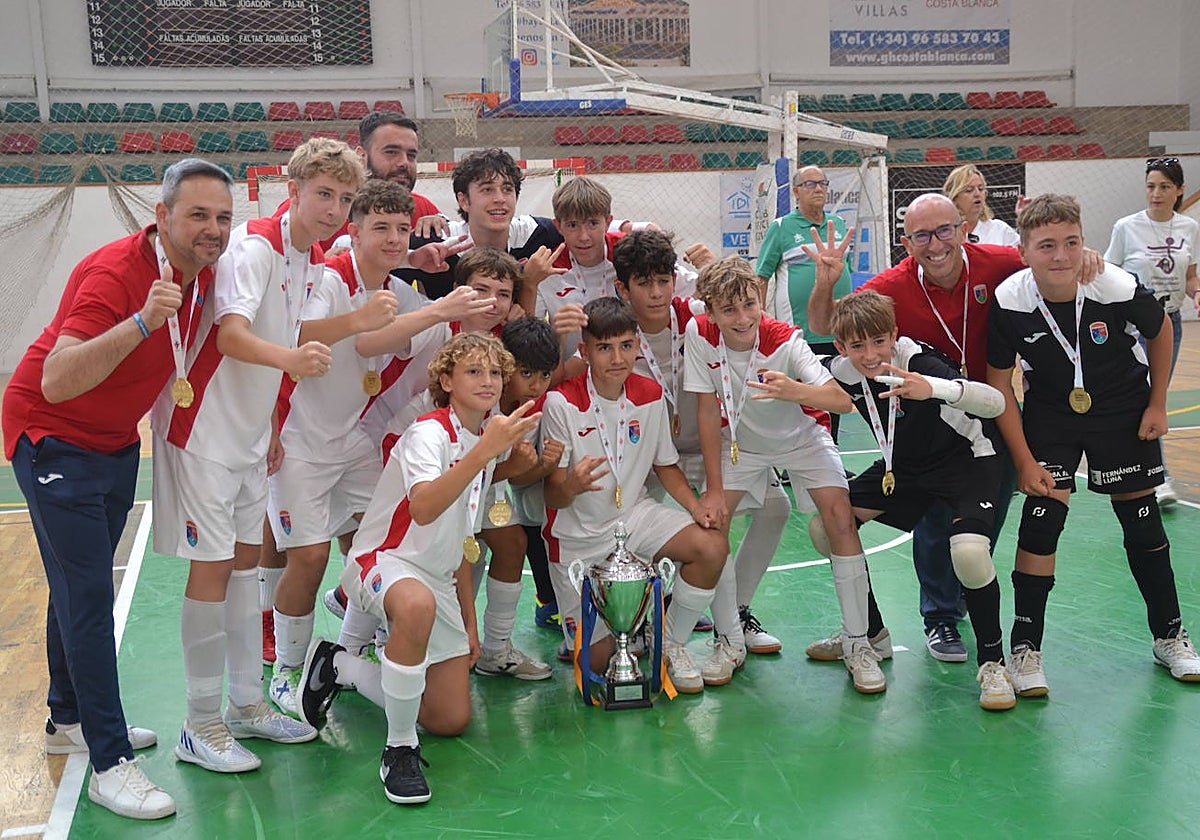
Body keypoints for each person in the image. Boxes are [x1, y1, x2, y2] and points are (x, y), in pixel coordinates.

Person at [2, 157, 236, 819]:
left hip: (111, 442)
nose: (211, 229)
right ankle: (109, 762)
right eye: (197, 215)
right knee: (87, 595)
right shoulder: (116, 272)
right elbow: (55, 378)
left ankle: (66, 719)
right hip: (51, 434)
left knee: (79, 582)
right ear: (160, 217)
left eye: (222, 216)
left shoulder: (209, 272)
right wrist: (139, 321)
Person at [151, 137, 366, 772]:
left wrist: (273, 421)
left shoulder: (309, 258)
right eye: (322, 194)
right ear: (292, 191)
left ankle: (246, 703)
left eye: (343, 198)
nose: (332, 208)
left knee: (245, 570)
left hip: (248, 435)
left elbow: (286, 338)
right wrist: (292, 361)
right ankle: (200, 722)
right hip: (204, 433)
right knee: (215, 572)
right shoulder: (255, 247)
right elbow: (234, 335)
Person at [299, 333, 542, 805]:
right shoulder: (429, 433)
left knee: (449, 719)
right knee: (415, 603)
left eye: (495, 372)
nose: (488, 381)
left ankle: (339, 664)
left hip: (440, 577)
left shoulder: (484, 445)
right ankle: (399, 749)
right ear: (446, 381)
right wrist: (485, 451)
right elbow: (425, 507)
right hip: (383, 561)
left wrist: (469, 625)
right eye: (473, 371)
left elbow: (461, 547)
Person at [987, 193, 1200, 695]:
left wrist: (1158, 403)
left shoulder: (1113, 283)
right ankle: (1025, 647)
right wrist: (1022, 459)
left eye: (1070, 243)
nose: (1060, 256)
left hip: (1123, 410)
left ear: (1085, 242)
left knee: (1141, 522)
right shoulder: (1010, 301)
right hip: (1053, 416)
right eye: (1046, 246)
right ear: (1023, 250)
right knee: (1040, 523)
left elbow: (1163, 329)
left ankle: (1169, 634)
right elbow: (1000, 383)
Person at [807, 193, 1028, 663]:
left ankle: (969, 604)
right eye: (921, 235)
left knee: (977, 534)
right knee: (929, 524)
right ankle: (933, 619)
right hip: (928, 423)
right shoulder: (892, 287)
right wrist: (827, 282)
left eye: (945, 230)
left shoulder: (1002, 262)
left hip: (986, 414)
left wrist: (1088, 258)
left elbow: (1050, 259)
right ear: (906, 242)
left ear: (965, 227)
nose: (935, 244)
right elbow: (836, 326)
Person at [684, 257, 884, 694]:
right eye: (729, 309)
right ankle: (729, 641)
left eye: (749, 305)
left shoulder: (785, 340)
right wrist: (715, 488)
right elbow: (703, 408)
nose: (742, 318)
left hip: (803, 438)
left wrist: (790, 389)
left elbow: (840, 400)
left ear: (761, 301)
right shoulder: (699, 334)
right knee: (713, 526)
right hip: (743, 444)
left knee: (839, 520)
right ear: (711, 310)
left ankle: (858, 642)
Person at [264, 179, 418, 715]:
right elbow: (300, 330)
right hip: (299, 441)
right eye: (381, 227)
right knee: (306, 558)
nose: (394, 238)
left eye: (402, 228)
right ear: (353, 230)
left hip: (352, 441)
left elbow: (423, 327)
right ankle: (287, 669)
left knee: (380, 548)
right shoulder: (330, 277)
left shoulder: (398, 289)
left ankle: (348, 650)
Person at [820, 291, 1013, 710]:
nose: (870, 355)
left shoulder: (918, 362)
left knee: (969, 553)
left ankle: (994, 662)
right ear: (842, 347)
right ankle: (869, 633)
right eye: (857, 346)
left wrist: (934, 388)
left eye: (878, 341)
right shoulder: (844, 370)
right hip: (905, 469)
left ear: (894, 335)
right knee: (827, 526)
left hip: (969, 461)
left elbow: (994, 402)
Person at [613, 230, 789, 684]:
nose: (655, 292)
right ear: (622, 287)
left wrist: (715, 265)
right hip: (653, 458)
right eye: (643, 282)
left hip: (711, 442)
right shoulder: (615, 334)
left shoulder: (693, 315)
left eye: (663, 280)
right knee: (703, 529)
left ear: (676, 280)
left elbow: (735, 300)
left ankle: (736, 613)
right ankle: (708, 631)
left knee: (776, 507)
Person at [542, 297, 728, 693]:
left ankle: (671, 644)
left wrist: (698, 507)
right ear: (584, 351)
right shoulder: (561, 402)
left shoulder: (649, 393)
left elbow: (665, 465)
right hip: (578, 539)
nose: (617, 357)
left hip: (634, 519)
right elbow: (554, 497)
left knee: (710, 545)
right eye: (604, 347)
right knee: (596, 667)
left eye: (626, 345)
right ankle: (627, 632)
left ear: (638, 346)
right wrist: (571, 484)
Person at [1105, 156, 1199, 507]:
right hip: (1131, 325)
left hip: (1168, 323)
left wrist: (1198, 294)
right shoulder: (1126, 227)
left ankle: (1148, 472)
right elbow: (1108, 275)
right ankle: (1156, 476)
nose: (1156, 193)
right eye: (1150, 186)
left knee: (1154, 397)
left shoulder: (1189, 228)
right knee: (1142, 398)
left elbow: (1190, 278)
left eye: (1164, 186)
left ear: (1179, 190)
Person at [399, 147, 564, 300]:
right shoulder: (434, 244)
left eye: (507, 189)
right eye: (487, 190)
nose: (499, 199)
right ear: (463, 201)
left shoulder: (540, 233)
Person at [272, 110, 445, 252]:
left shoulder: (422, 209)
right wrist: (324, 268)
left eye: (411, 155)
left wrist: (442, 225)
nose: (404, 163)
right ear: (361, 156)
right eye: (391, 152)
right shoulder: (303, 208)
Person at [942, 164, 1019, 246]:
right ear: (954, 197)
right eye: (969, 190)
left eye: (981, 189)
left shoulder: (1000, 230)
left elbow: (1025, 253)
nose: (977, 194)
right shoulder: (943, 232)